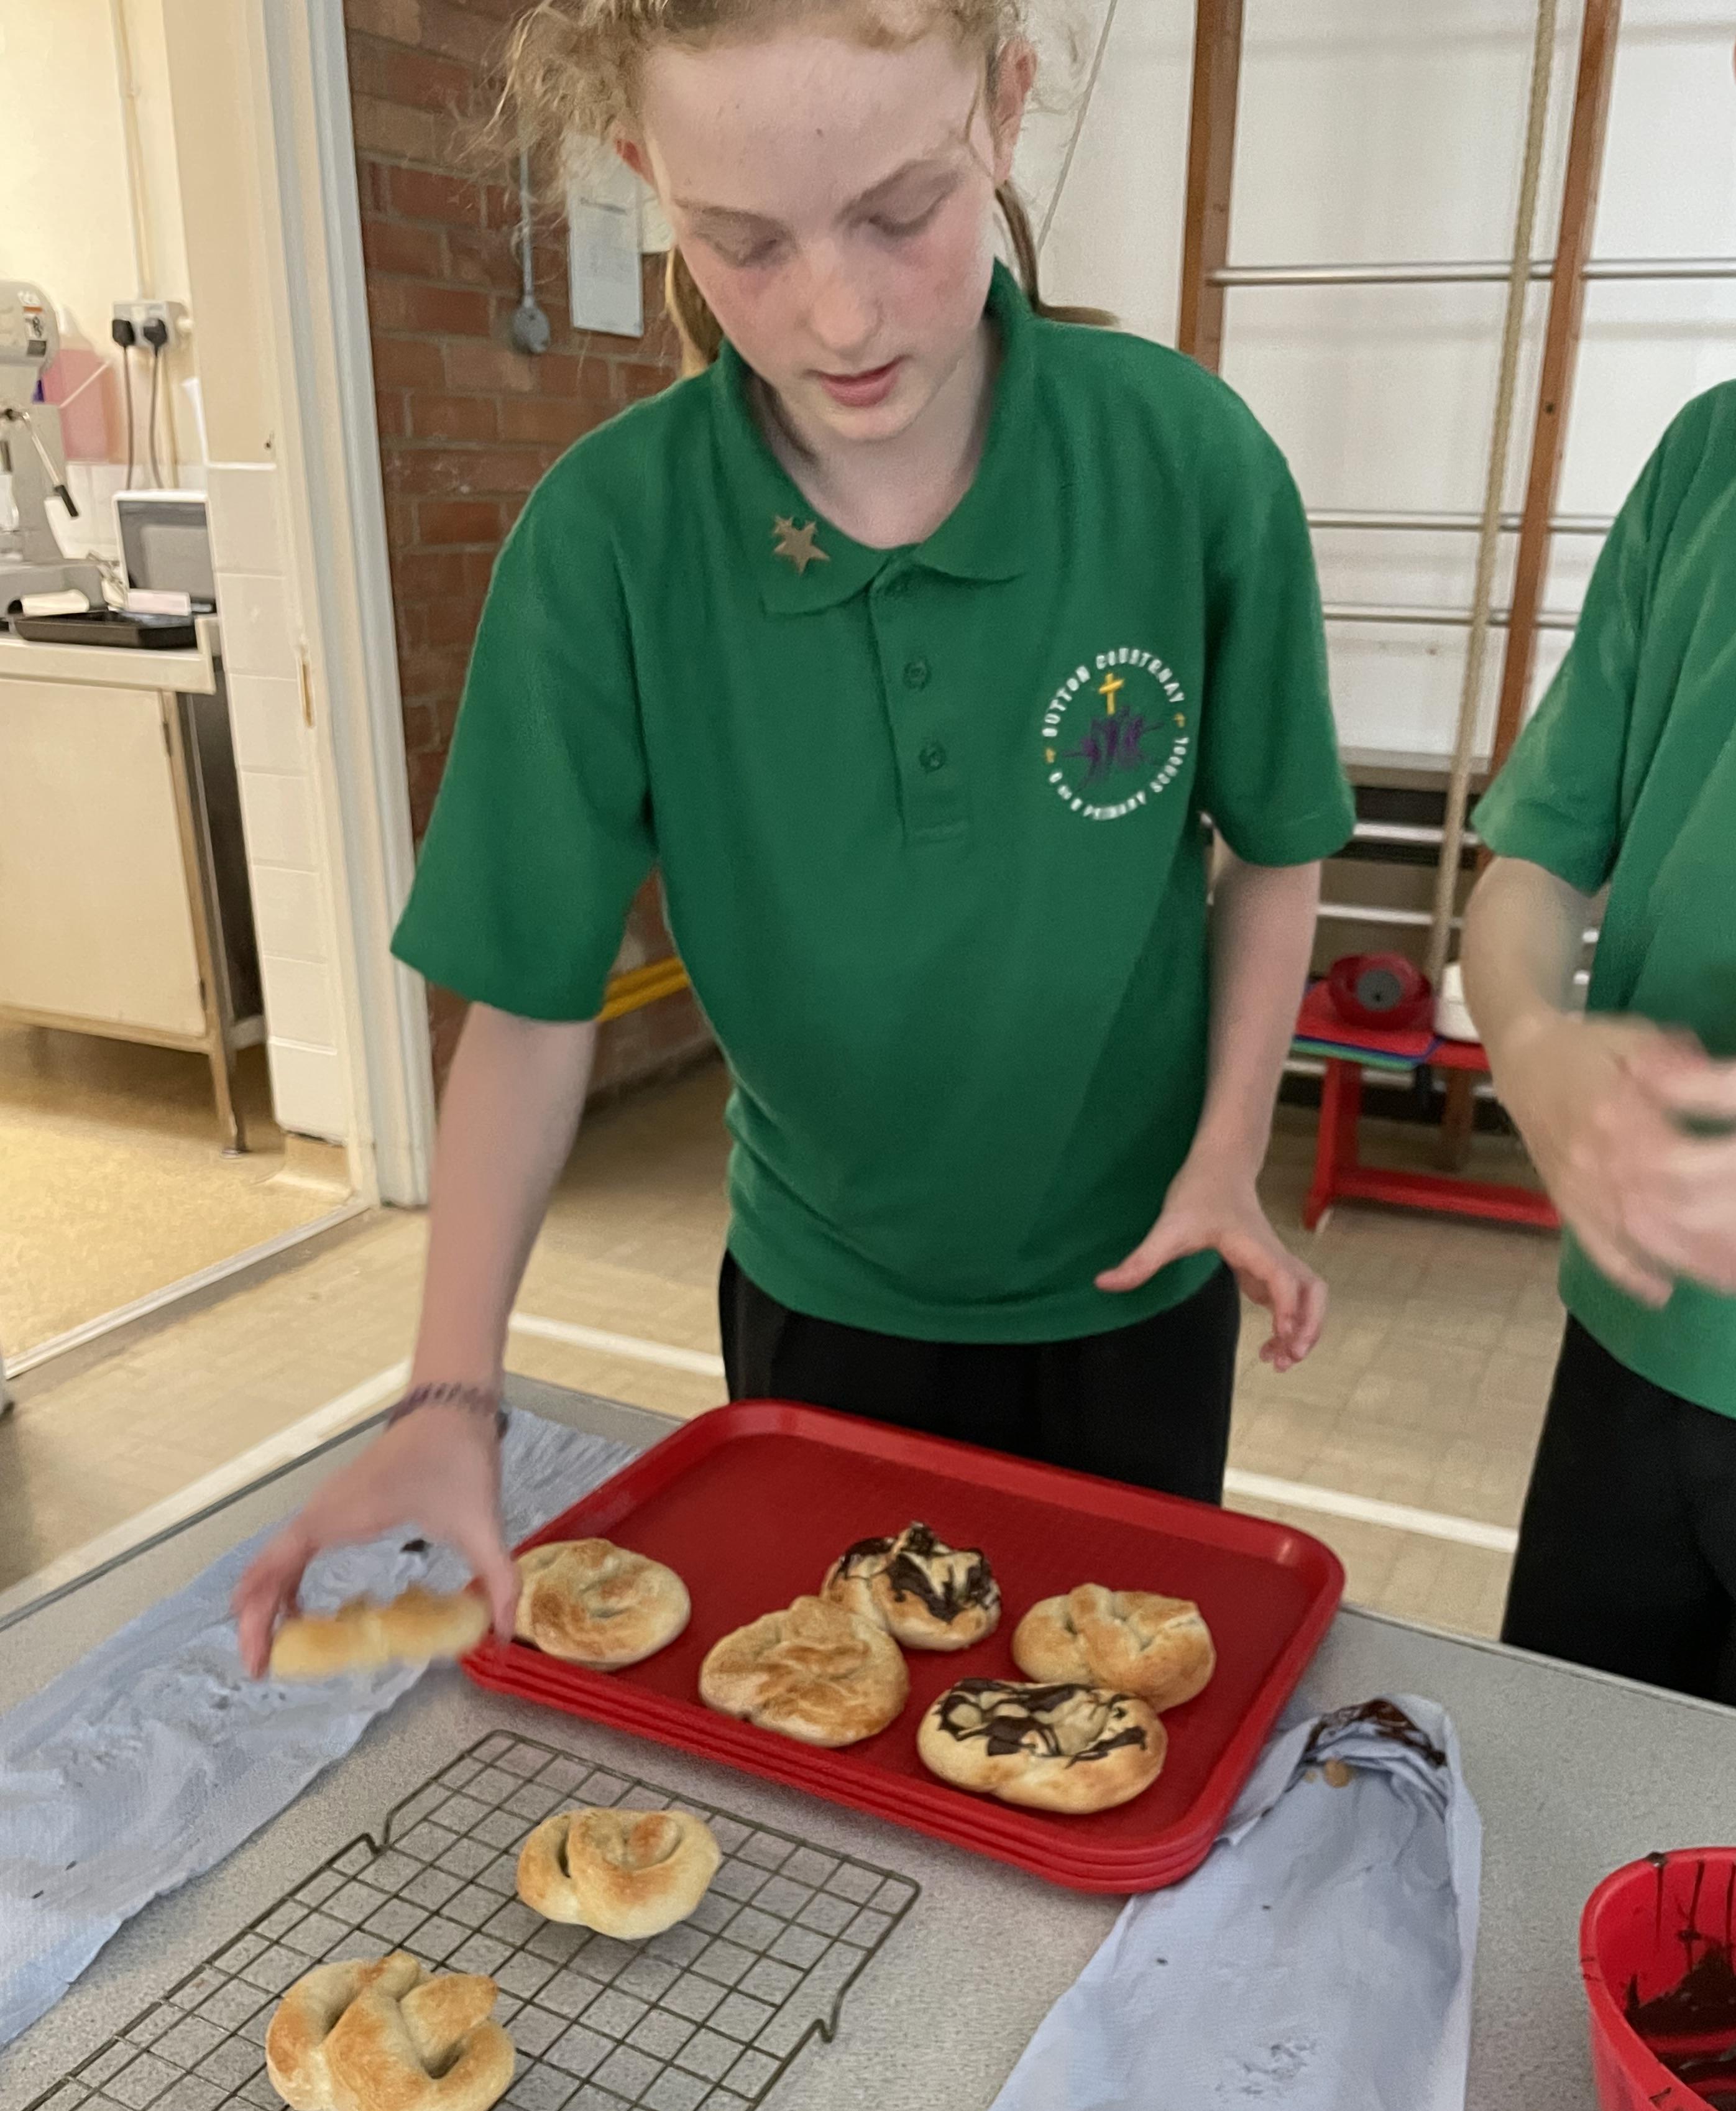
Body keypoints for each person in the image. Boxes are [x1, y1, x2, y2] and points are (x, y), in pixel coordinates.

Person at [234, 0, 1354, 1668]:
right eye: (744, 243)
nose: (838, 315)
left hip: (1142, 1282)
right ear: (649, 178)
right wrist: (450, 1392)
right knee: (836, 1713)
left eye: (903, 213)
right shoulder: (608, 542)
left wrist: (1228, 1152)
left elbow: (1273, 845)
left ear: (1007, 107)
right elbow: (528, 1009)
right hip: (824, 1310)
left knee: (1096, 1718)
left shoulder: (1182, 462)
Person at [1462, 0, 1736, 1740]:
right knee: (1566, 1804)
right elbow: (1530, 863)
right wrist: (1535, 1050)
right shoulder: (1714, 456)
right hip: (1636, 1349)